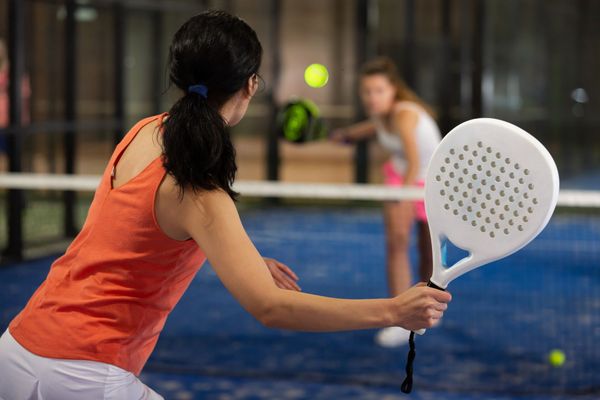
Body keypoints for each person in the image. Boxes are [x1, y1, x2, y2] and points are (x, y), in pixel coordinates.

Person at [0, 12, 450, 399]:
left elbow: (150, 233)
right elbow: (271, 307)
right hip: (82, 373)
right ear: (250, 85)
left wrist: (247, 258)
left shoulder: (144, 131)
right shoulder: (201, 188)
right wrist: (394, 310)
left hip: (17, 351)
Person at [331, 57, 442, 347]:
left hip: (430, 183)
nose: (372, 97)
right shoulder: (381, 116)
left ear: (393, 90)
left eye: (379, 90)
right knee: (396, 243)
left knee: (428, 253)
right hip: (400, 175)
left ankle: (426, 309)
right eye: (366, 91)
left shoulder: (405, 115)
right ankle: (401, 319)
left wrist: (404, 197)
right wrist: (342, 136)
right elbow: (365, 130)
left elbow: (416, 160)